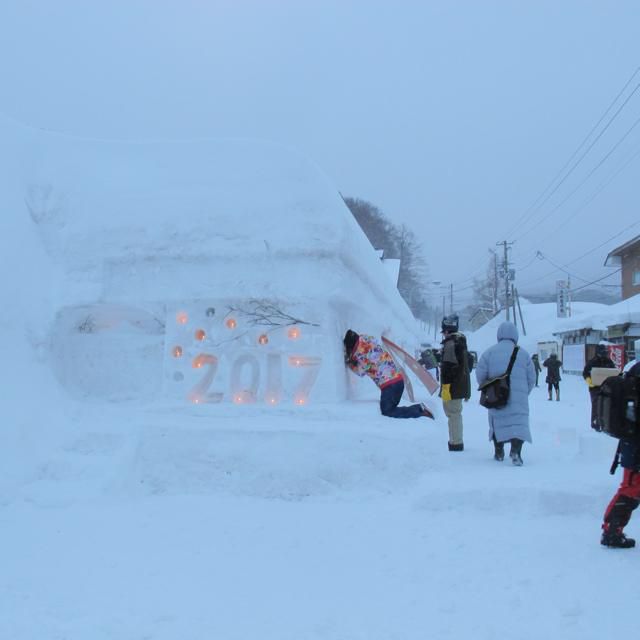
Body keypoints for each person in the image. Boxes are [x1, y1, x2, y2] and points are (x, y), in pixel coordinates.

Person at [476, 321, 535, 465]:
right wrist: (523, 392)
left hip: (497, 396)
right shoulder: (523, 354)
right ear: (515, 335)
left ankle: (499, 451)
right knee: (518, 424)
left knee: (498, 422)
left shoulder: (489, 353)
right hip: (519, 398)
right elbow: (531, 377)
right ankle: (516, 451)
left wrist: (489, 388)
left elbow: (480, 375)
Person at [344, 330, 434, 419]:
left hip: (390, 386)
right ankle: (419, 409)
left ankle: (419, 410)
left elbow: (360, 372)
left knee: (387, 411)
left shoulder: (360, 354)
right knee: (390, 408)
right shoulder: (368, 339)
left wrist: (349, 363)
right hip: (398, 380)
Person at [600, 360, 640, 548]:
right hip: (636, 445)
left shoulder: (634, 372)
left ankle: (612, 529)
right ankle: (611, 531)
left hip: (631, 442)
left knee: (632, 489)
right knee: (631, 490)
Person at [439, 314, 471, 451]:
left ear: (447, 330)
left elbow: (449, 367)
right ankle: (455, 440)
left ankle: (456, 443)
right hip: (459, 385)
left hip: (451, 386)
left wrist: (445, 389)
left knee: (453, 414)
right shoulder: (460, 342)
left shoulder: (451, 344)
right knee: (454, 414)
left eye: (444, 332)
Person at [583, 343, 617, 430]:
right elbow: (585, 373)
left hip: (606, 387)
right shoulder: (592, 362)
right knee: (596, 405)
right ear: (598, 352)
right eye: (603, 352)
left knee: (607, 405)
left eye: (605, 352)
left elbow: (614, 372)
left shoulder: (609, 362)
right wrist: (589, 381)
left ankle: (606, 423)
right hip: (595, 387)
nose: (604, 354)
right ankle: (595, 423)